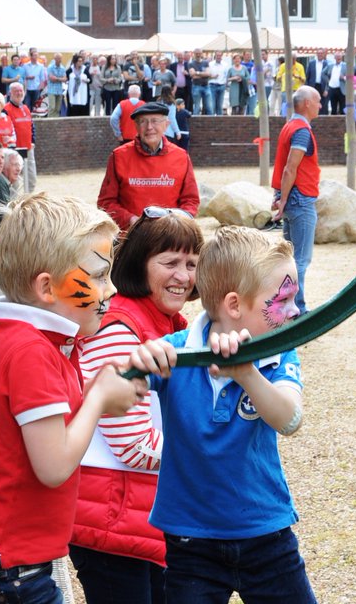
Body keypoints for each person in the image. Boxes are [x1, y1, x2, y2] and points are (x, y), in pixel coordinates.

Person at [0, 192, 146, 603]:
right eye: (100, 276)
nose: (112, 289)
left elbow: (44, 419)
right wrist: (97, 400)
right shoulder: (32, 351)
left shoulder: (25, 335)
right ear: (47, 287)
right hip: (2, 570)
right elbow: (53, 466)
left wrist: (95, 391)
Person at [129, 226, 315, 603]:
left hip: (266, 534)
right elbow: (114, 393)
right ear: (234, 305)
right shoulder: (176, 352)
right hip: (190, 542)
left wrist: (247, 374)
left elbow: (290, 419)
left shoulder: (279, 352)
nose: (295, 310)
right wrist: (135, 364)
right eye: (283, 300)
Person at [70, 212, 203, 604]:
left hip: (136, 518)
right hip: (112, 522)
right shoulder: (121, 329)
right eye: (170, 262)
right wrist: (208, 457)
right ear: (138, 263)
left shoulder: (164, 324)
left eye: (191, 264)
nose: (183, 276)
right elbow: (132, 443)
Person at [98, 101, 200, 231]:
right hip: (130, 236)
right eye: (143, 122)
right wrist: (131, 220)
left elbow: (191, 201)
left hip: (170, 236)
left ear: (166, 125)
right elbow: (106, 203)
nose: (149, 127)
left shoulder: (181, 157)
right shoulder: (119, 157)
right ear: (136, 126)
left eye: (155, 121)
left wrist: (175, 224)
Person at [272, 86, 322, 314]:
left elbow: (284, 166)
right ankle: (297, 307)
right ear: (307, 103)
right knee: (300, 260)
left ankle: (285, 304)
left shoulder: (289, 126)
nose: (320, 105)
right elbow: (290, 168)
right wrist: (282, 200)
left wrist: (280, 196)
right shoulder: (301, 131)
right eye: (318, 101)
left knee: (289, 258)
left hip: (292, 197)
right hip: (301, 198)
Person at [5, 82, 37, 194]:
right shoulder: (6, 109)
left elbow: (32, 126)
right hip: (14, 149)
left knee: (31, 178)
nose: (19, 93)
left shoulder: (26, 108)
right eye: (16, 91)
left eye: (21, 91)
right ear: (10, 93)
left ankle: (28, 198)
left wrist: (33, 141)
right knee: (14, 180)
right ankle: (14, 201)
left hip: (28, 148)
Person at [66, 52, 92, 117]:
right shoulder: (70, 70)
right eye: (79, 61)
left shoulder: (85, 69)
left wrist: (86, 80)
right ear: (75, 62)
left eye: (81, 61)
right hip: (73, 94)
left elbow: (90, 80)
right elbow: (66, 79)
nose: (81, 62)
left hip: (83, 93)